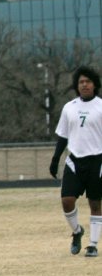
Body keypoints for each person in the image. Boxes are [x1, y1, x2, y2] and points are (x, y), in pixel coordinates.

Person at [49, 66, 102, 257]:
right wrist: (55, 160)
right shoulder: (69, 107)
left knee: (95, 203)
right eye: (81, 82)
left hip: (97, 160)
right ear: (76, 85)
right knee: (66, 200)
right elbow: (63, 136)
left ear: (95, 84)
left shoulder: (100, 106)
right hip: (74, 160)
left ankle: (93, 245)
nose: (84, 84)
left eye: (88, 81)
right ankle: (77, 231)